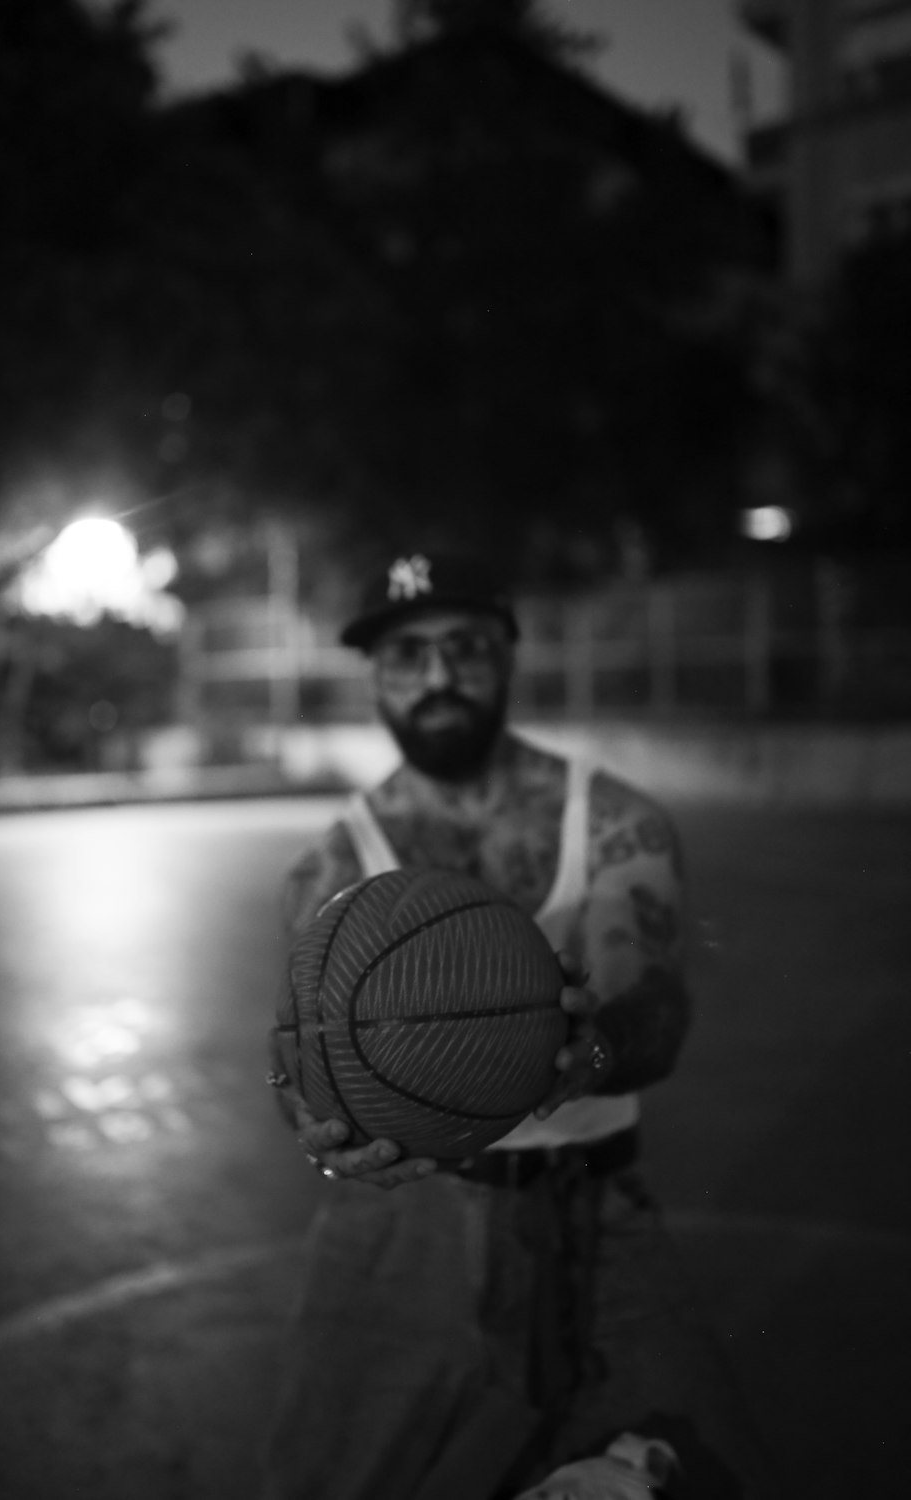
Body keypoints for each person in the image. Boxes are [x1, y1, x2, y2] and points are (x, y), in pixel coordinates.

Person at [262, 552, 775, 1500]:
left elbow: (656, 1011)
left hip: (594, 1198)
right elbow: (308, 1063)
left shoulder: (616, 821)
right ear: (376, 677)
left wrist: (590, 1055)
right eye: (406, 655)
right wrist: (323, 1136)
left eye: (464, 648)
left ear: (507, 655)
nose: (438, 677)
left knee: (706, 1474)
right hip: (401, 1216)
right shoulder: (330, 868)